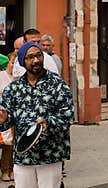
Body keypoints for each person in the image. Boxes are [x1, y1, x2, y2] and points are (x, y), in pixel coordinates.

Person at [0, 42, 74, 188]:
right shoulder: (13, 89)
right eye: (30, 57)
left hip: (50, 155)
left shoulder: (58, 84)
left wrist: (49, 122)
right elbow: (8, 120)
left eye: (38, 55)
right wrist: (4, 119)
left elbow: (68, 116)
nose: (35, 60)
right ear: (22, 61)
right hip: (23, 157)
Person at [0, 52, 16, 182]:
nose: (13, 66)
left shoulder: (18, 79)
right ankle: (4, 170)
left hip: (16, 115)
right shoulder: (1, 76)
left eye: (16, 63)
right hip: (2, 115)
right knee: (6, 143)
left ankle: (12, 170)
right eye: (12, 63)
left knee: (13, 145)